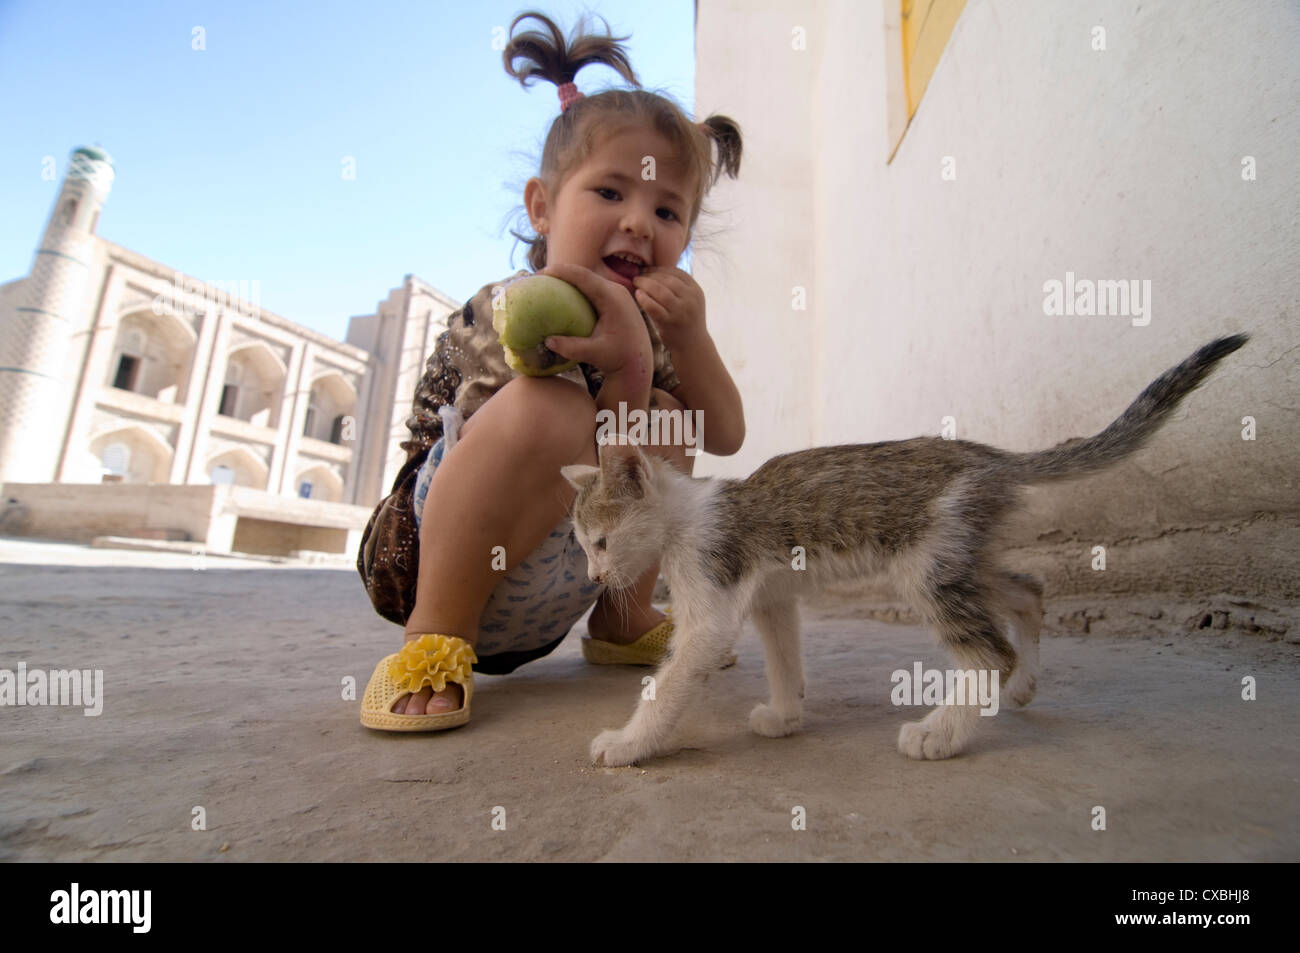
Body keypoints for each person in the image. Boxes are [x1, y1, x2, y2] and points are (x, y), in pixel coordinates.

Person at [358, 10, 745, 731]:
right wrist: (625, 366)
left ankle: (624, 623)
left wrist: (689, 340)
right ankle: (430, 642)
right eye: (609, 193)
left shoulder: (663, 330)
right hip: (437, 560)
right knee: (556, 408)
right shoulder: (512, 308)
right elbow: (525, 445)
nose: (638, 222)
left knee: (670, 417)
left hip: (560, 586)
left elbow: (723, 434)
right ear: (542, 207)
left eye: (667, 210)